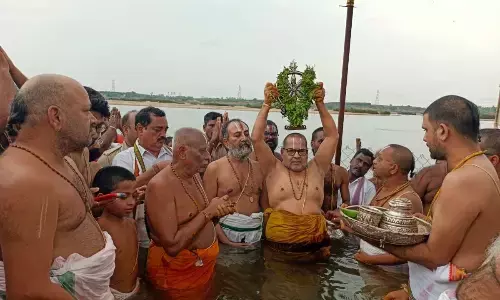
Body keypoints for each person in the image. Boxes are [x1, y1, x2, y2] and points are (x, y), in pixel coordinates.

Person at [0, 74, 115, 299]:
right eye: (85, 111)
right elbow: (29, 291)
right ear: (56, 117)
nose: (94, 120)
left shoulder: (63, 160)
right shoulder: (25, 183)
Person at [380, 96, 500, 300]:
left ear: (443, 131)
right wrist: (425, 223)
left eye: (426, 130)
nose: (424, 139)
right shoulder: (482, 167)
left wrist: (375, 237)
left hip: (456, 289)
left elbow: (434, 256)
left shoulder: (462, 178)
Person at [251, 82, 338, 261]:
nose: (296, 156)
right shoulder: (273, 168)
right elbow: (256, 138)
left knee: (313, 287)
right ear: (282, 153)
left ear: (308, 152)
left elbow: (332, 136)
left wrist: (320, 103)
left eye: (301, 151)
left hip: (315, 247)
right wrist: (267, 104)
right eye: (291, 151)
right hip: (280, 249)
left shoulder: (317, 168)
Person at [146, 127, 236, 299]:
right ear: (182, 152)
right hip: (175, 276)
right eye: (202, 151)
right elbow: (172, 246)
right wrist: (210, 211)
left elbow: (199, 221)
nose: (208, 156)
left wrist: (218, 213)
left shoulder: (194, 175)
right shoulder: (160, 186)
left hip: (202, 268)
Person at [112, 105, 172, 278]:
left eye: (165, 130)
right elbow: (120, 197)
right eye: (157, 129)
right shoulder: (124, 159)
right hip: (139, 236)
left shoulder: (172, 157)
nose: (163, 135)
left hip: (167, 236)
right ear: (140, 129)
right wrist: (156, 170)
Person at [353, 145, 422, 278]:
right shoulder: (382, 188)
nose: (374, 161)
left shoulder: (407, 199)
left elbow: (411, 252)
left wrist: (370, 260)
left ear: (393, 168)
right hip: (370, 267)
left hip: (390, 275)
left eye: (380, 159)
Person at [204, 119, 265, 248]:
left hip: (256, 236)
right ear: (226, 142)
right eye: (237, 135)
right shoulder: (214, 168)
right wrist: (226, 241)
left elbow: (265, 206)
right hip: (225, 237)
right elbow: (207, 212)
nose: (244, 138)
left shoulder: (259, 168)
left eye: (246, 134)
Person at [93, 166, 140, 300]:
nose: (131, 202)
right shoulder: (99, 230)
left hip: (134, 289)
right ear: (102, 198)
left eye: (134, 196)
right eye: (123, 197)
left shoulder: (131, 223)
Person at [311, 126, 350, 211]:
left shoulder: (341, 172)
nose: (324, 145)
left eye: (327, 142)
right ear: (312, 144)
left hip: (332, 220)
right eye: (321, 141)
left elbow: (346, 201)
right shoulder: (304, 170)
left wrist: (338, 211)